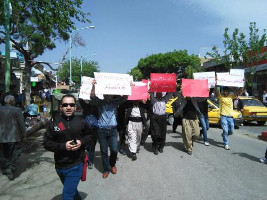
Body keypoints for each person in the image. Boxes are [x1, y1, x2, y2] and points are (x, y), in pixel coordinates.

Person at [43, 94, 91, 200]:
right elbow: (46, 143)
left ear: (75, 107)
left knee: (67, 196)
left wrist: (81, 142)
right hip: (60, 165)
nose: (68, 107)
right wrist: (63, 146)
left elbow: (89, 136)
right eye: (65, 105)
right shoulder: (55, 123)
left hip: (76, 165)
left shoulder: (82, 121)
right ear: (61, 107)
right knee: (72, 192)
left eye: (71, 105)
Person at [0, 95, 26, 180]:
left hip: (1, 138)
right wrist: (24, 134)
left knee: (3, 155)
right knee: (14, 154)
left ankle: (5, 168)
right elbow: (21, 124)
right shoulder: (17, 110)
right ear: (13, 101)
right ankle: (11, 168)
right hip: (14, 137)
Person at [215, 86, 242, 150]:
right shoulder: (221, 97)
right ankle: (226, 143)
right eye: (224, 91)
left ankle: (224, 134)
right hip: (223, 116)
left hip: (230, 117)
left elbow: (239, 90)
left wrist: (242, 83)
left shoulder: (231, 96)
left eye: (226, 91)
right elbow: (216, 91)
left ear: (228, 92)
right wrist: (216, 83)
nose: (225, 92)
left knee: (232, 131)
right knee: (225, 130)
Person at [79, 98, 99, 169]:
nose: (91, 101)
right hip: (86, 129)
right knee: (85, 145)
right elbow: (80, 100)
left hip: (94, 129)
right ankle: (87, 153)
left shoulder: (97, 106)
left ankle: (90, 161)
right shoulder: (85, 106)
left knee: (92, 146)